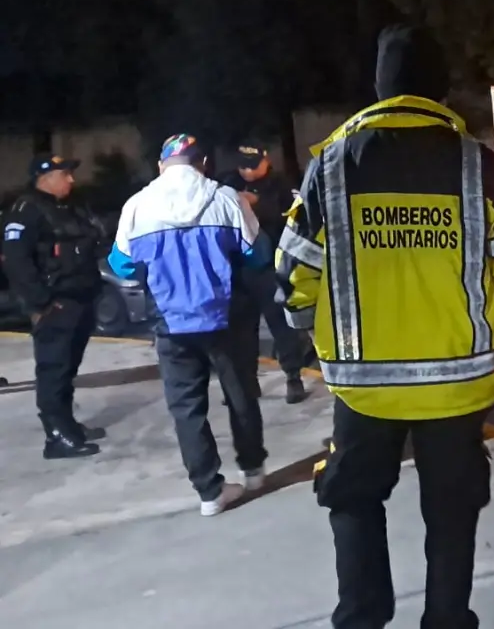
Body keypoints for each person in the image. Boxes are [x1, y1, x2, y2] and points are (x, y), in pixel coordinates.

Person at [276, 25, 494, 629]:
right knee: (452, 507)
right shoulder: (477, 163)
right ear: (439, 87)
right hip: (460, 381)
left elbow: (292, 276)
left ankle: (362, 618)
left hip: (363, 387)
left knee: (354, 497)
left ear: (380, 85)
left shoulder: (333, 163)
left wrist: (311, 331)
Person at [108, 134, 271, 516]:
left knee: (186, 407)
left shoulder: (138, 206)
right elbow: (258, 254)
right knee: (242, 394)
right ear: (202, 165)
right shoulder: (226, 199)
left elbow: (122, 266)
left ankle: (210, 492)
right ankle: (254, 469)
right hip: (225, 317)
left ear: (162, 166)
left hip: (170, 322)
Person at [1, 154, 105, 459]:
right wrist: (42, 304)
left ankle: (67, 424)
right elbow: (17, 263)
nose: (71, 180)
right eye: (65, 174)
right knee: (53, 370)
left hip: (81, 299)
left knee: (67, 369)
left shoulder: (69, 207)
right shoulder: (25, 211)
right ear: (44, 179)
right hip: (56, 304)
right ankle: (56, 436)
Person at [221, 144, 308, 404]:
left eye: (253, 164)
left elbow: (297, 217)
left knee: (282, 327)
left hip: (271, 267)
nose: (247, 171)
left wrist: (258, 205)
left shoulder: (281, 184)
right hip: (239, 268)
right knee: (242, 331)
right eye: (243, 165)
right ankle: (247, 383)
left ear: (266, 160)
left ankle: (293, 378)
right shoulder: (228, 183)